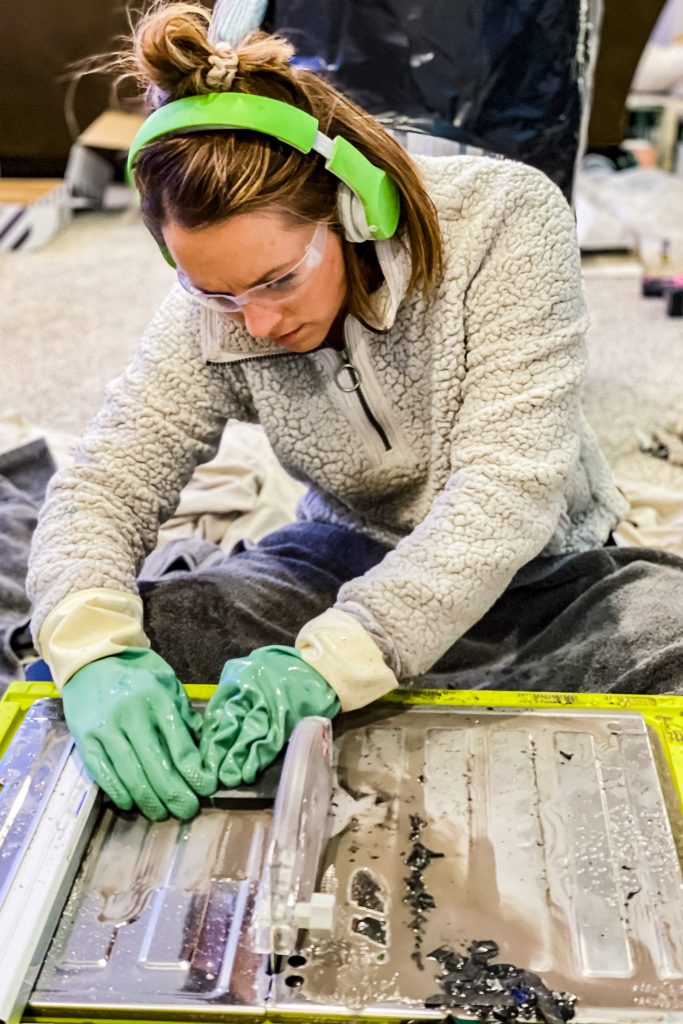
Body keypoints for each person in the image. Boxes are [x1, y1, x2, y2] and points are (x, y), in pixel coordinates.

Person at [26, 1, 662, 824]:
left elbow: (505, 496)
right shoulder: (214, 311)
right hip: (339, 559)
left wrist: (330, 666)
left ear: (355, 210)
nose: (254, 323)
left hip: (535, 571)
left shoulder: (508, 218)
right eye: (215, 291)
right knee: (102, 651)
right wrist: (94, 652)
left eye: (277, 281)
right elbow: (105, 480)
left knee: (663, 642)